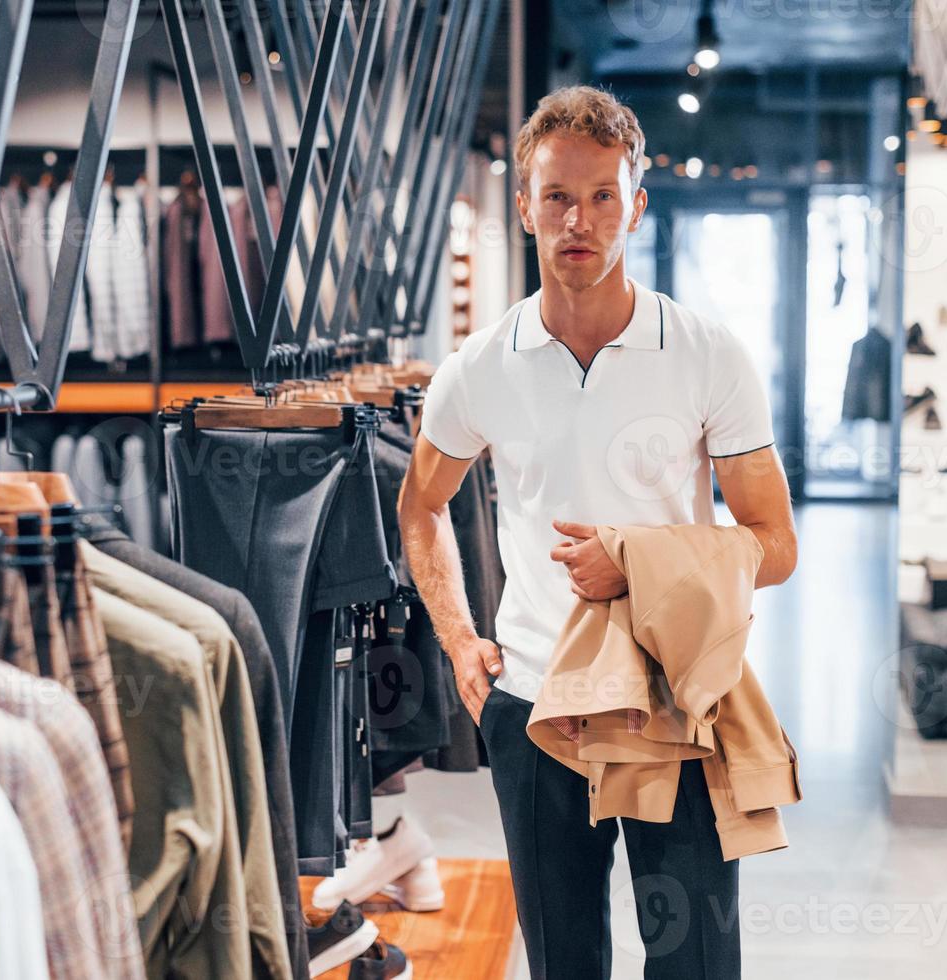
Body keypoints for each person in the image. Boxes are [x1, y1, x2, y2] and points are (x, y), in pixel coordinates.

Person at [396, 85, 798, 980]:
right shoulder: (479, 368)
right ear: (527, 206)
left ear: (636, 204)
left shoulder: (706, 354)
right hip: (535, 707)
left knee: (694, 964)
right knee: (563, 965)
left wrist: (640, 568)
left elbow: (776, 545)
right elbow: (420, 506)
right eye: (558, 197)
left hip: (677, 703)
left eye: (603, 196)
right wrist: (462, 644)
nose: (579, 219)